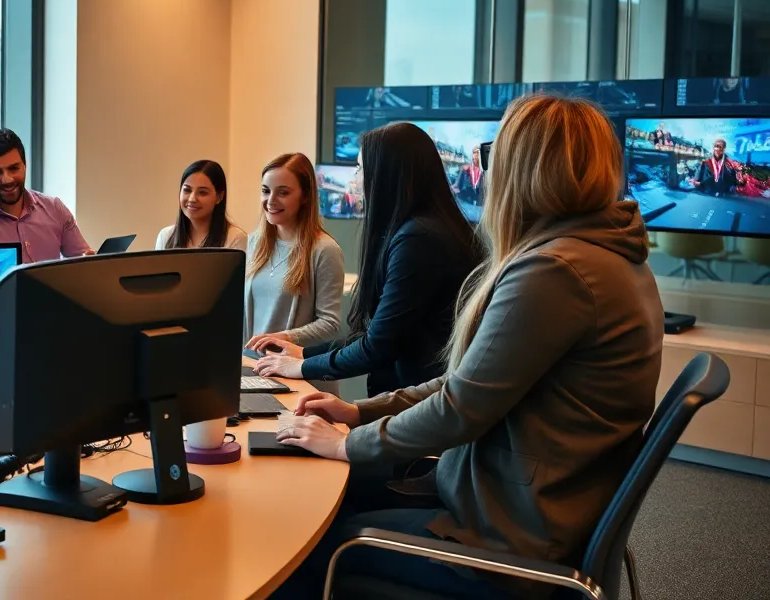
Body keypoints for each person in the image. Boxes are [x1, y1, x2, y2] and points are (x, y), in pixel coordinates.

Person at [269, 94, 664, 599]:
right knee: (335, 497)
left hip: (510, 535)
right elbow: (465, 383)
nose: (486, 168)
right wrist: (356, 413)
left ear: (524, 169)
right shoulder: (609, 255)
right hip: (532, 500)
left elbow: (459, 409)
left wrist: (344, 443)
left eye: (491, 154)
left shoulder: (554, 271)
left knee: (306, 545)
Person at [250, 124, 482, 397]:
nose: (356, 179)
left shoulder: (418, 239)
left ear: (385, 173)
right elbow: (376, 336)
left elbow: (378, 346)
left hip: (420, 406)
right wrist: (303, 353)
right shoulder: (424, 229)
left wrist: (300, 366)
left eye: (360, 169)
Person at [242, 153, 345, 367]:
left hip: (301, 377)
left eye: (283, 193)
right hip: (256, 370)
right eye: (265, 191)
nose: (271, 201)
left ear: (305, 195)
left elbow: (330, 323)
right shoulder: (253, 243)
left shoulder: (324, 250)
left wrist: (286, 337)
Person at [0, 129, 93, 262]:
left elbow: (82, 261)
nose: (7, 179)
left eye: (14, 168)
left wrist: (89, 264)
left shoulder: (54, 208)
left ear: (25, 166)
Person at [154, 160, 248, 251]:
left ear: (219, 196)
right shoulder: (165, 236)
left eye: (202, 193)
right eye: (187, 190)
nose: (192, 199)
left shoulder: (235, 238)